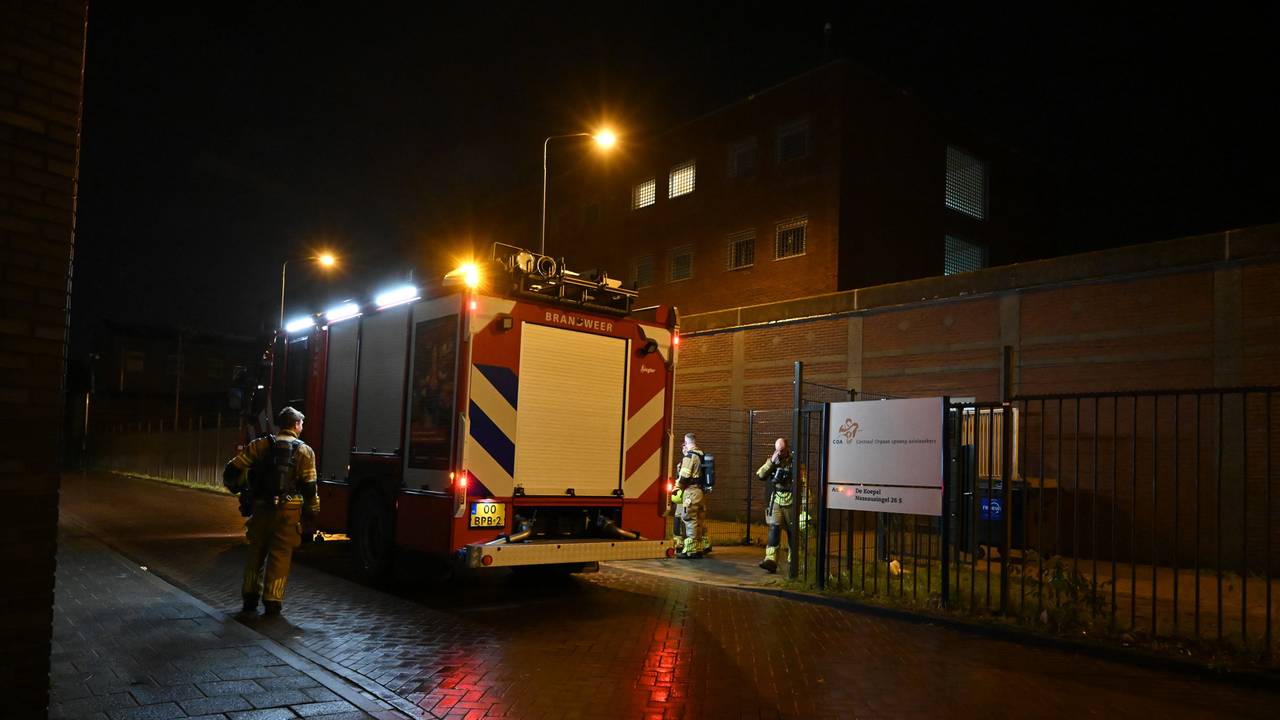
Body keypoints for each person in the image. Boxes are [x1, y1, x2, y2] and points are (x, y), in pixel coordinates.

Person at [223, 406, 319, 615]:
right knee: (280, 555)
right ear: (295, 425)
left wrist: (239, 489)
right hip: (288, 512)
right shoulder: (305, 451)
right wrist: (313, 508)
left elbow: (233, 469)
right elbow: (310, 485)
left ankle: (249, 597)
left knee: (256, 552)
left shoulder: (260, 445)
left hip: (261, 509)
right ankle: (272, 601)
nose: (302, 427)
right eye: (301, 423)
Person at [756, 437, 795, 573]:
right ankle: (771, 560)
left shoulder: (794, 462)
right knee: (774, 528)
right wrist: (772, 463)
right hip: (777, 499)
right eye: (777, 450)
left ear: (787, 449)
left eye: (782, 451)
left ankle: (794, 560)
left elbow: (803, 482)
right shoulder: (772, 460)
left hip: (791, 499)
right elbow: (760, 475)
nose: (779, 453)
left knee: (792, 531)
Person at [675, 433, 709, 559]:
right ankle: (698, 547)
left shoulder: (690, 456)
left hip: (691, 491)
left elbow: (684, 476)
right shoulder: (701, 455)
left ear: (686, 442)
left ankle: (690, 549)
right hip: (700, 492)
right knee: (699, 519)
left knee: (689, 518)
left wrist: (677, 486)